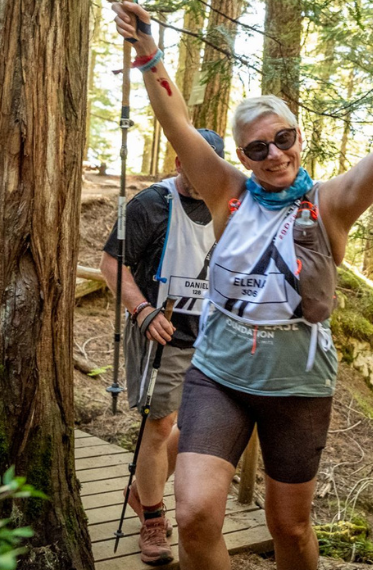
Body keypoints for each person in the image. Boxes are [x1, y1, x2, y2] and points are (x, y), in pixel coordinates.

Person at [111, 0, 373, 570]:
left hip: (298, 385)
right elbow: (175, 120)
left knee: (291, 529)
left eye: (284, 139)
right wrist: (149, 50)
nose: (274, 154)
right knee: (196, 517)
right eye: (257, 149)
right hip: (219, 373)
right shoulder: (227, 193)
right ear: (242, 158)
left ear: (298, 137)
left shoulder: (328, 204)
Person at [100, 128, 226, 566]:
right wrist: (141, 310)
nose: (199, 175)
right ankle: (153, 519)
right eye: (191, 163)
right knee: (160, 424)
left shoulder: (229, 204)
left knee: (200, 424)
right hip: (163, 329)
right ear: (177, 161)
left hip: (213, 335)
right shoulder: (150, 203)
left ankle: (140, 489)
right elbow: (111, 263)